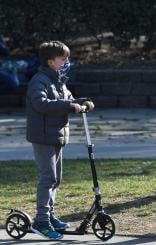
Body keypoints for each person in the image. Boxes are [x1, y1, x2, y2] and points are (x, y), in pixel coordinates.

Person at [26, 40, 94, 240]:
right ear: (50, 62)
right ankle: (41, 220)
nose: (67, 62)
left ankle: (50, 215)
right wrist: (68, 106)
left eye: (68, 59)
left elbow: (69, 100)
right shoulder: (39, 81)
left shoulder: (59, 81)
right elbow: (41, 104)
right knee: (47, 179)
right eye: (63, 59)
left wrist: (83, 103)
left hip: (57, 134)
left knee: (56, 179)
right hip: (43, 137)